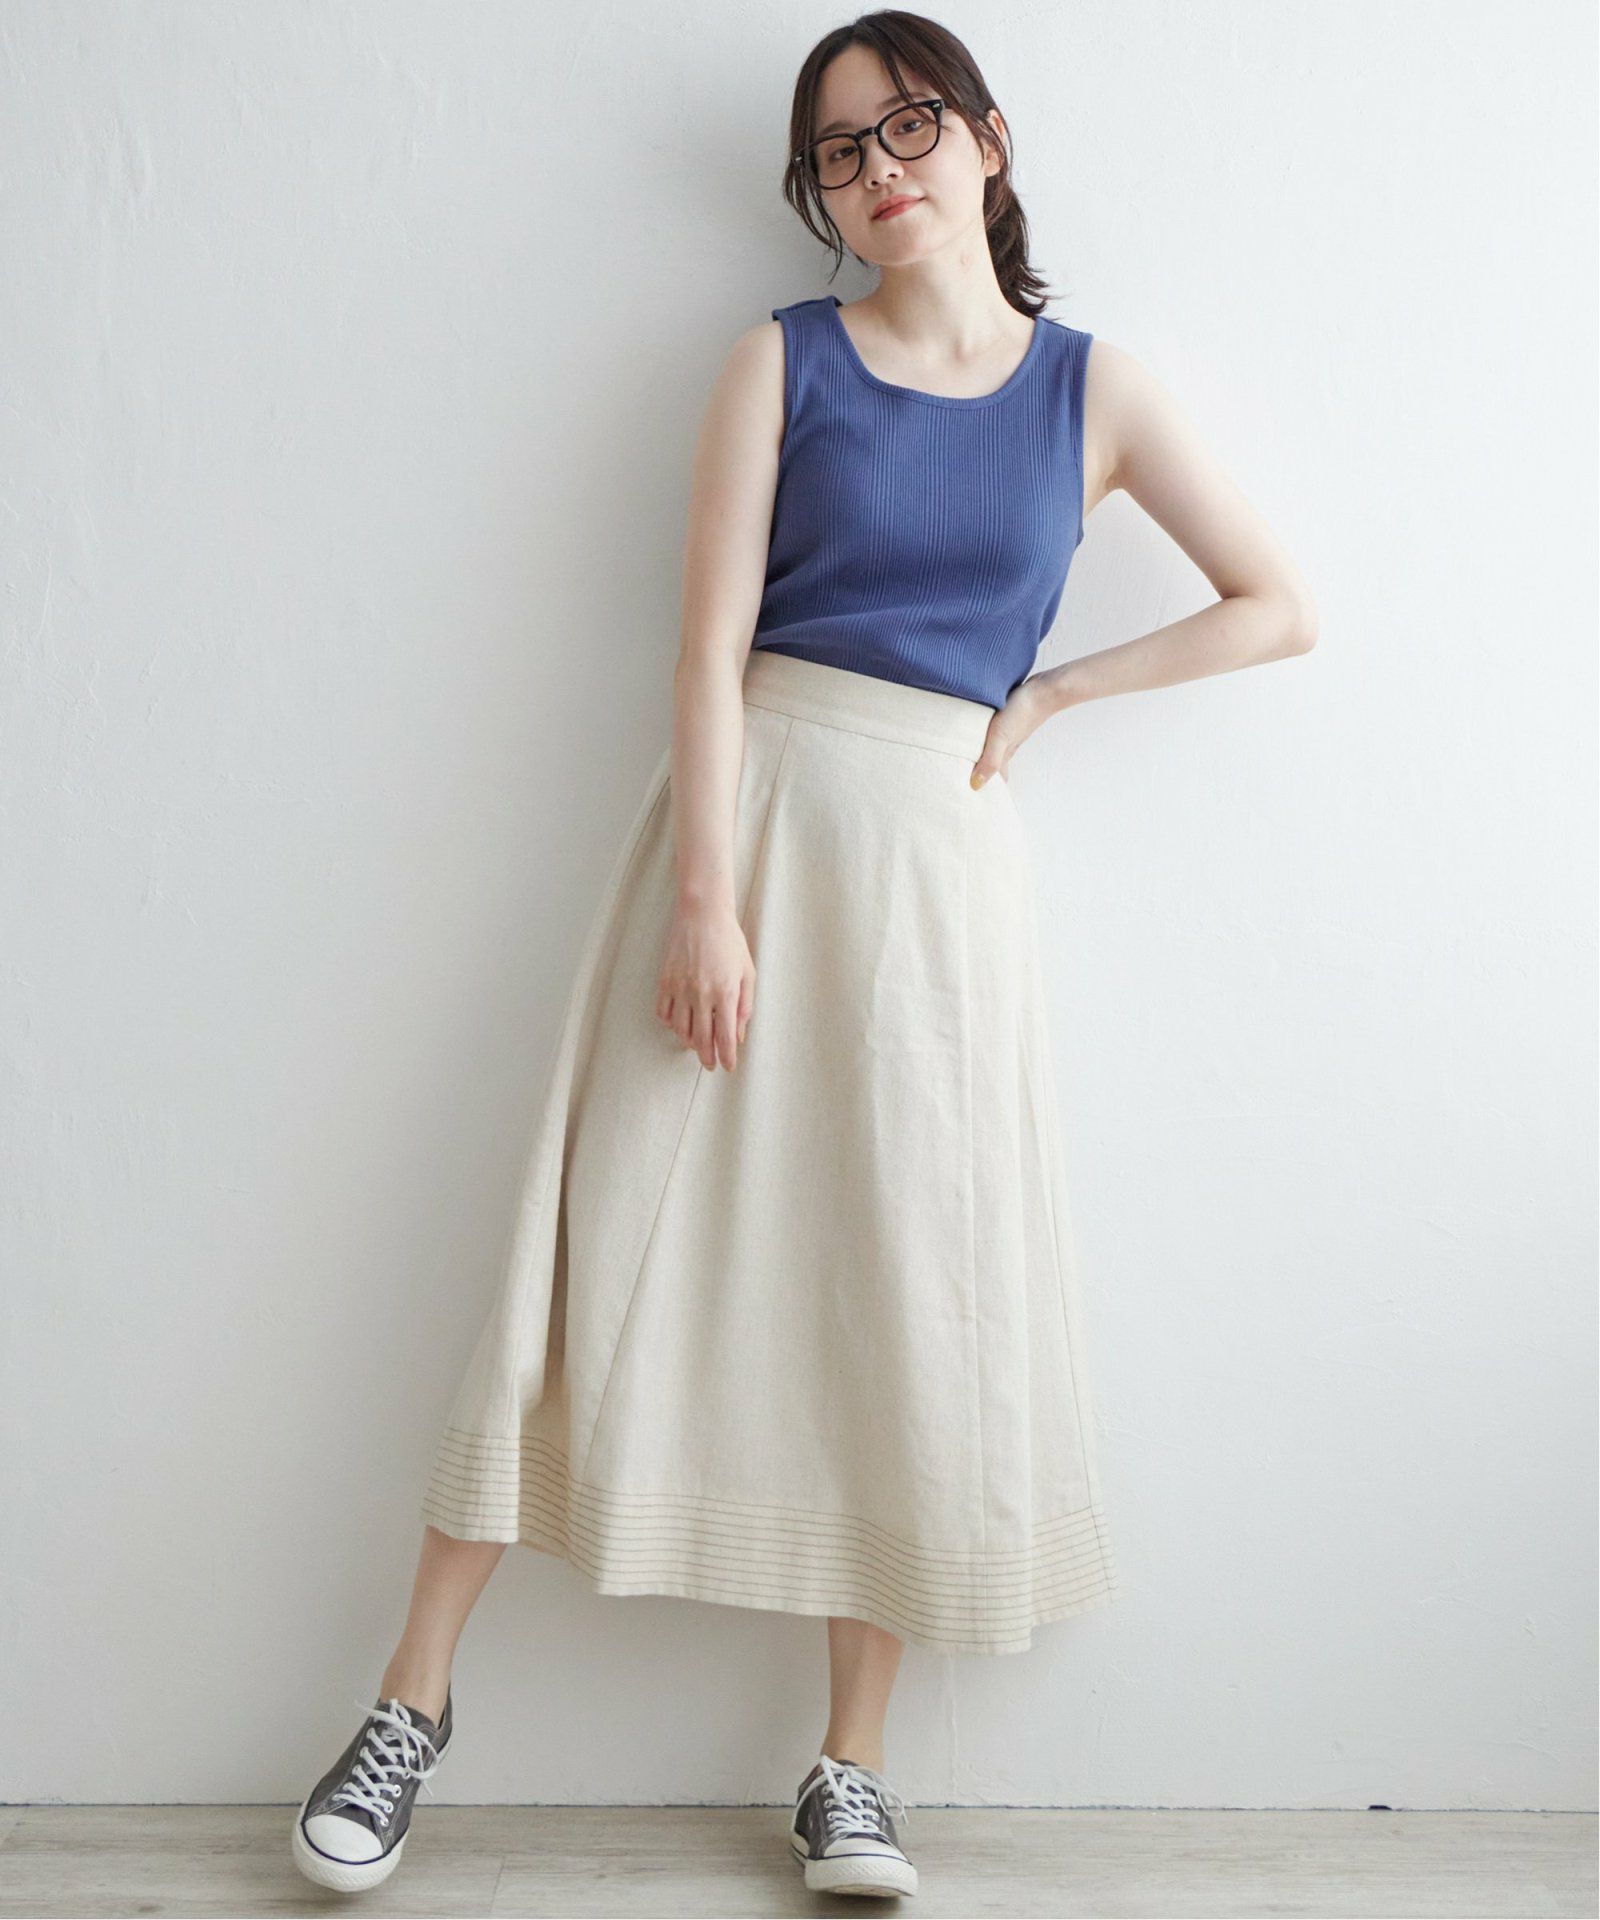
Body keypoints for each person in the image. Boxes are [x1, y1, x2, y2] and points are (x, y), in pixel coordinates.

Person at [290, 12, 1317, 1901]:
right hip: (749, 818)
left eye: (908, 128)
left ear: (989, 141)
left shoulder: (1095, 391)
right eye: (840, 153)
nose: (879, 172)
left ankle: (852, 1765)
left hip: (936, 867)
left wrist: (1056, 693)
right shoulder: (781, 362)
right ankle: (410, 1701)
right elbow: (701, 648)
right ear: (820, 196)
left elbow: (1277, 604)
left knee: (913, 1276)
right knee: (591, 1238)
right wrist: (705, 892)